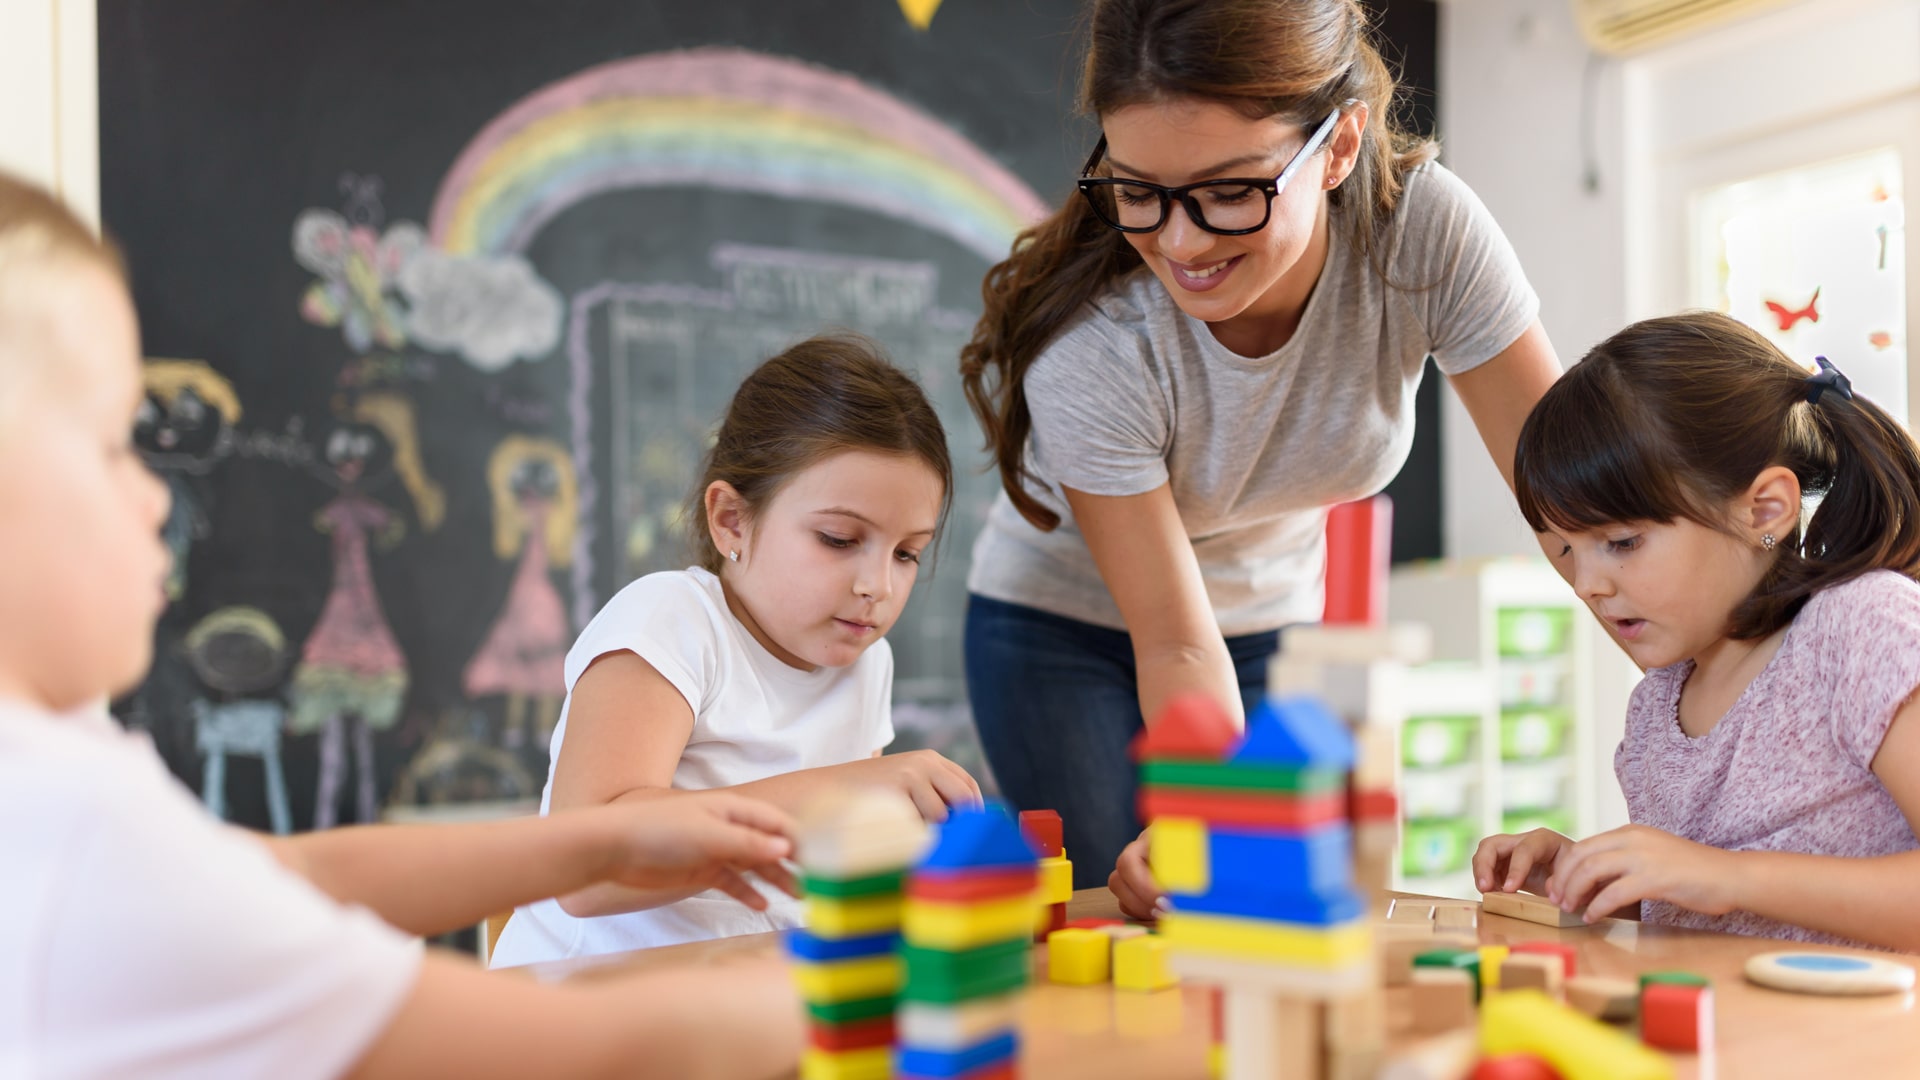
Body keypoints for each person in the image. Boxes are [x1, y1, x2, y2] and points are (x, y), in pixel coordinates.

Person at [0, 170, 806, 1079]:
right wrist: (895, 980)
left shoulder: (50, 797)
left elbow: (289, 875)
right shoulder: (74, 831)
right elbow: (594, 1051)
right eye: (115, 444)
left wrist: (602, 840)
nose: (156, 498)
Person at [959, 0, 1562, 897]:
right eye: (1137, 191)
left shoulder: (1421, 234)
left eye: (1232, 191)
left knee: (1272, 900)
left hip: (1269, 614)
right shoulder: (1097, 346)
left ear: (1342, 146)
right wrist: (1199, 821)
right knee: (1152, 903)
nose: (1180, 241)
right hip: (1062, 629)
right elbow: (1176, 644)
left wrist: (1730, 688)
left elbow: (1580, 505)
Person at [491, 334, 982, 964]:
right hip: (583, 1016)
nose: (878, 586)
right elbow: (584, 873)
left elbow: (836, 878)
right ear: (732, 521)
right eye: (838, 538)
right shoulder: (671, 622)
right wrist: (848, 794)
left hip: (751, 1007)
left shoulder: (867, 664)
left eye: (907, 553)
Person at [1473, 312, 1920, 952]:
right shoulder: (1656, 708)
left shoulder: (1864, 629)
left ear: (1764, 509)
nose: (1588, 585)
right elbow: (1705, 924)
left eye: (1622, 541)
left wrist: (1729, 877)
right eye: (1566, 550)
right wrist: (1590, 880)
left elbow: (1727, 887)